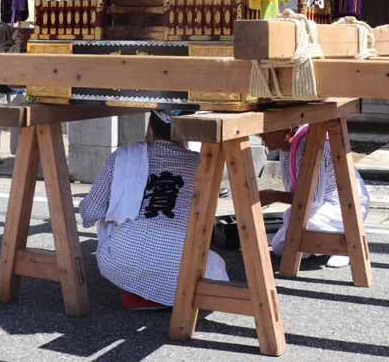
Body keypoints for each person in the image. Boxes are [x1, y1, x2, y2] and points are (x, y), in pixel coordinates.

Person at [79, 110, 228, 310]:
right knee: (215, 267)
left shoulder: (123, 157)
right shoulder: (200, 164)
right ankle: (164, 293)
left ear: (150, 123)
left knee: (112, 219)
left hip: (120, 262)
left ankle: (143, 291)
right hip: (180, 264)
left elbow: (89, 214)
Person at [259, 125, 370, 268]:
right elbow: (294, 190)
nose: (261, 136)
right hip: (319, 205)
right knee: (279, 247)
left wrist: (274, 196)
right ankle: (317, 245)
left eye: (266, 132)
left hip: (345, 206)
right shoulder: (285, 147)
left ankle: (345, 244)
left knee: (305, 223)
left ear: (286, 131)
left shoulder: (310, 143)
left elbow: (313, 199)